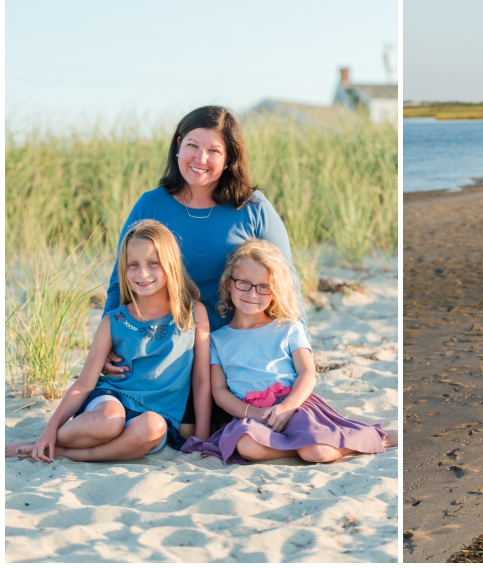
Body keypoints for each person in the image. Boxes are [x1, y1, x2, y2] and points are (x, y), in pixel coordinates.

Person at [100, 106, 306, 439]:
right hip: (167, 356)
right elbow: (118, 281)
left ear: (229, 158)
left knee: (239, 430)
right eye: (193, 145)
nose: (201, 158)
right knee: (172, 429)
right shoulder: (150, 205)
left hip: (234, 359)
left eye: (214, 150)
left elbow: (287, 283)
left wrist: (301, 354)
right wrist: (108, 341)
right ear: (178, 145)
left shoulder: (253, 208)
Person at [6, 220, 210, 461]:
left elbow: (200, 380)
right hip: (110, 401)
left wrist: (202, 437)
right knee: (109, 422)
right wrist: (49, 429)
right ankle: (43, 441)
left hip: (157, 416)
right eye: (133, 265)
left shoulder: (194, 314)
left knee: (152, 427)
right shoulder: (115, 320)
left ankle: (57, 450)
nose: (142, 273)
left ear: (170, 265)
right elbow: (84, 384)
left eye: (152, 263)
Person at [180, 239, 397, 464]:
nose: (252, 294)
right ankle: (298, 448)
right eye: (244, 283)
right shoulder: (217, 339)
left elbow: (307, 373)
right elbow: (219, 391)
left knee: (317, 453)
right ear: (228, 284)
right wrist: (251, 413)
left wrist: (287, 406)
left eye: (263, 287)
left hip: (296, 406)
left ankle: (374, 439)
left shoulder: (288, 328)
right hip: (251, 413)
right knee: (245, 445)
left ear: (275, 292)